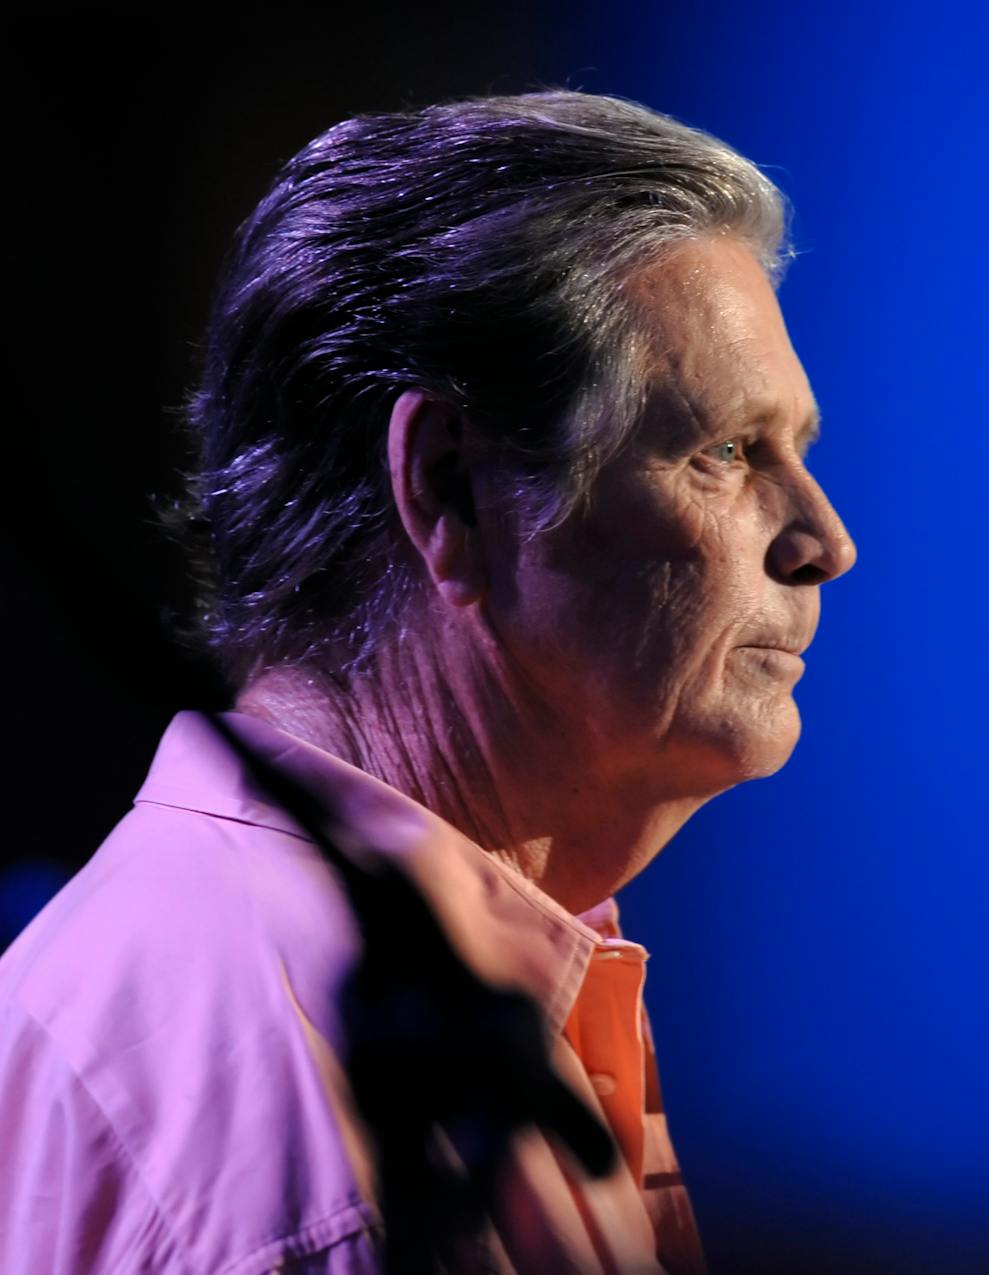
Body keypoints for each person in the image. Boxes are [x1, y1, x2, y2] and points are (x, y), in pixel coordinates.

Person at [0, 91, 855, 1272]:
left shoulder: (370, 989)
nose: (823, 539)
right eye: (724, 451)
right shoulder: (328, 1130)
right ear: (450, 488)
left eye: (798, 452)